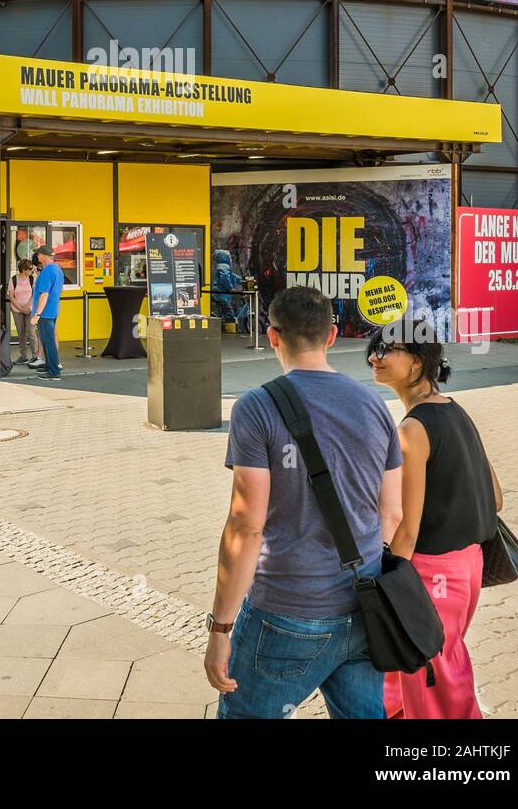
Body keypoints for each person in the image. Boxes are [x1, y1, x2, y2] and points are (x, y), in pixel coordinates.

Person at [205, 285, 403, 720]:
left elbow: (246, 525)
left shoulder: (256, 408)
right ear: (332, 336)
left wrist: (220, 626)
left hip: (287, 609)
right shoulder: (374, 403)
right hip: (364, 607)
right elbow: (392, 513)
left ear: (272, 336)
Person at [367, 322, 502, 719]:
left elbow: (406, 526)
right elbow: (495, 497)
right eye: (374, 349)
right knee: (417, 671)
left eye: (386, 350)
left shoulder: (412, 429)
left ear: (416, 363)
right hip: (469, 566)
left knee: (437, 683)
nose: (375, 357)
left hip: (430, 574)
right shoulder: (454, 410)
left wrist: (389, 583)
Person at [30, 244, 64, 381]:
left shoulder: (46, 272)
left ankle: (54, 372)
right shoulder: (57, 270)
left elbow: (44, 294)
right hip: (53, 310)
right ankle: (49, 366)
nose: (37, 256)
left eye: (38, 254)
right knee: (47, 341)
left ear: (43, 255)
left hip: (44, 313)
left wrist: (37, 314)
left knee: (48, 342)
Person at [7, 257, 41, 367]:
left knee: (31, 332)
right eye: (29, 269)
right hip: (17, 309)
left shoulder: (32, 279)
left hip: (30, 309)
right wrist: (20, 308)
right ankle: (23, 356)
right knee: (21, 333)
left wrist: (27, 306)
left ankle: (35, 356)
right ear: (23, 269)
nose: (31, 270)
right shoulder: (13, 279)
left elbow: (34, 294)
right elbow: (11, 296)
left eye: (31, 268)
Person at [211, 248, 250, 334]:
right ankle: (231, 330)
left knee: (223, 310)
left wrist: (242, 280)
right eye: (229, 257)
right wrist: (230, 288)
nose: (231, 258)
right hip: (222, 293)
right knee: (228, 311)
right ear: (225, 257)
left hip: (219, 293)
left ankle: (224, 327)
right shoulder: (224, 266)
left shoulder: (221, 266)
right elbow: (225, 278)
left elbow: (233, 276)